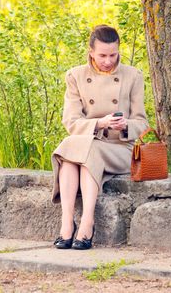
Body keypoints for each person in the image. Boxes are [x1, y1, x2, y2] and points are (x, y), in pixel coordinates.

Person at [50, 24, 149, 250]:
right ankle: (67, 224)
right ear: (91, 51)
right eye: (102, 55)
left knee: (76, 151)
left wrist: (125, 125)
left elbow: (142, 123)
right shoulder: (75, 76)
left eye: (113, 55)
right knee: (74, 151)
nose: (107, 60)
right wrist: (100, 123)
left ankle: (87, 222)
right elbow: (71, 122)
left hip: (120, 147)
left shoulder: (133, 76)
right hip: (88, 142)